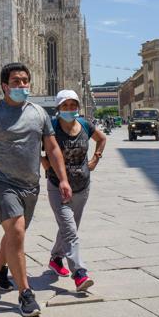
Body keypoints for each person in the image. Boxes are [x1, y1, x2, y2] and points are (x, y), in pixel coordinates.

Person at [0, 62, 71, 317]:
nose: (22, 85)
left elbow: (53, 149)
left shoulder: (39, 113)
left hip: (30, 184)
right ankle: (25, 294)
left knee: (15, 234)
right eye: (16, 82)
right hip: (1, 182)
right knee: (18, 230)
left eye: (25, 81)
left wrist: (63, 179)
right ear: (4, 86)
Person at [44, 90, 107, 292]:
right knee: (70, 231)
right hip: (58, 187)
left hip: (82, 186)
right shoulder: (51, 127)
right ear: (58, 108)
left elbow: (102, 138)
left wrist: (96, 158)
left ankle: (55, 258)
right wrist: (47, 167)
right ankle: (80, 273)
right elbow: (37, 149)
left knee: (70, 228)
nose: (70, 109)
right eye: (65, 106)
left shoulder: (85, 125)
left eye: (73, 105)